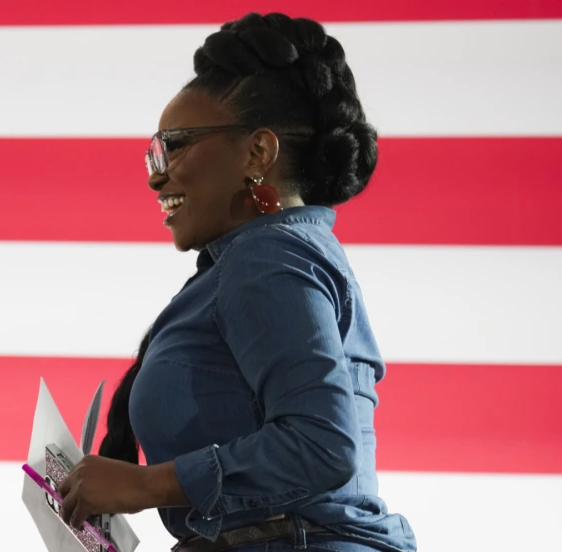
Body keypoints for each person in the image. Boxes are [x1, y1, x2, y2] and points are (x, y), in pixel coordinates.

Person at [55, 12, 417, 552]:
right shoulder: (269, 254)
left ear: (257, 153)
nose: (157, 173)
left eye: (174, 144)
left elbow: (322, 445)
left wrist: (147, 484)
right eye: (154, 151)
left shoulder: (268, 256)